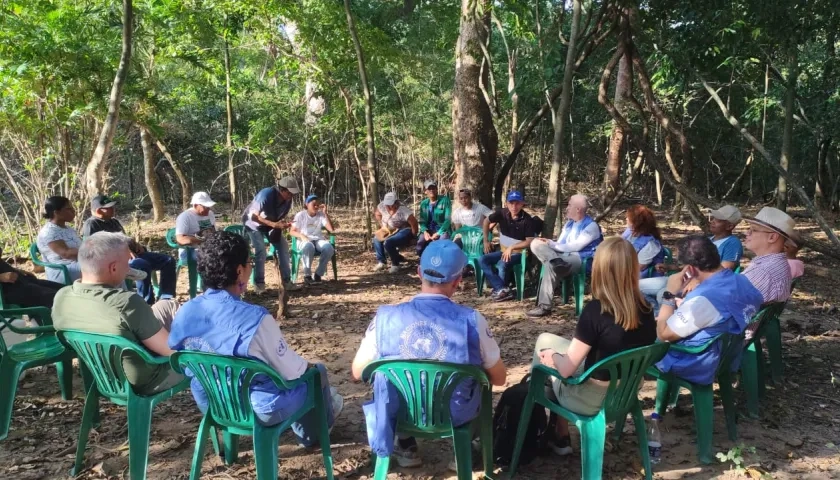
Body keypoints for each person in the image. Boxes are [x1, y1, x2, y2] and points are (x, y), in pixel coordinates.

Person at [168, 231, 343, 448]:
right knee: (317, 373)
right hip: (259, 410)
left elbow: (179, 359)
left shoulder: (185, 311)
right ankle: (313, 436)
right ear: (239, 271)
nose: (251, 267)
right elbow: (293, 371)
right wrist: (312, 370)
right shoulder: (255, 318)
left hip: (211, 403)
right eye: (250, 262)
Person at [351, 239, 506, 468]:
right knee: (479, 386)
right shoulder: (472, 321)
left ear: (418, 272)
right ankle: (461, 452)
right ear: (458, 281)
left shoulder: (385, 318)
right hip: (454, 414)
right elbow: (500, 378)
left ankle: (406, 445)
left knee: (393, 384)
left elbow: (358, 371)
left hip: (401, 413)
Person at [535, 237, 656, 455]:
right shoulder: (646, 309)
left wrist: (552, 357)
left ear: (600, 269)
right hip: (626, 394)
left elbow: (566, 369)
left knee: (545, 352)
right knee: (550, 342)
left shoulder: (595, 311)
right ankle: (559, 434)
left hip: (589, 400)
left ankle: (551, 432)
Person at [52, 232, 184, 394]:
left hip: (102, 374)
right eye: (128, 262)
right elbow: (171, 350)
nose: (130, 266)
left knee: (166, 305)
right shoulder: (126, 302)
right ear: (113, 268)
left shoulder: (62, 296)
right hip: (146, 379)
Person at [653, 235, 763, 385]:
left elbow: (665, 334)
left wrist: (669, 295)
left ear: (690, 269)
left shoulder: (704, 299)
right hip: (727, 356)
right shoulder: (742, 281)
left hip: (693, 362)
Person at [640, 205, 744, 312]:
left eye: (718, 221)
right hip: (683, 278)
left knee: (663, 294)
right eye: (713, 219)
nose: (712, 222)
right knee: (635, 286)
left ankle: (662, 322)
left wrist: (696, 280)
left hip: (699, 283)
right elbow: (692, 264)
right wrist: (670, 267)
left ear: (729, 226)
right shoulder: (709, 240)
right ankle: (654, 316)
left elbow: (725, 269)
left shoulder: (732, 243)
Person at [82, 194, 177, 304]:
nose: (113, 209)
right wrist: (123, 252)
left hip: (131, 255)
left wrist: (134, 244)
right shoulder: (91, 225)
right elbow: (95, 250)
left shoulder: (113, 221)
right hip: (115, 261)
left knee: (168, 261)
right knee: (141, 265)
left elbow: (123, 238)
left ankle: (165, 297)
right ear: (99, 210)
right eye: (109, 208)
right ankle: (146, 302)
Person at [527, 194, 603, 318]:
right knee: (535, 243)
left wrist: (551, 244)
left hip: (581, 258)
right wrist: (548, 244)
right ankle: (556, 261)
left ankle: (544, 307)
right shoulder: (569, 224)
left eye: (569, 205)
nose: (567, 208)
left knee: (549, 266)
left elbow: (576, 247)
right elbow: (561, 243)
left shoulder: (591, 226)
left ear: (578, 209)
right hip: (562, 256)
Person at [242, 177, 300, 293]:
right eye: (289, 193)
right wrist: (273, 224)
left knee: (283, 247)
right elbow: (253, 216)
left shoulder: (288, 201)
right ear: (282, 190)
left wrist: (281, 225)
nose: (291, 196)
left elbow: (279, 218)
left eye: (292, 194)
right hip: (253, 225)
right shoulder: (266, 194)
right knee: (261, 251)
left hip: (270, 225)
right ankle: (259, 284)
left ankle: (286, 281)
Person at [479, 190, 538, 302]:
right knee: (483, 259)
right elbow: (486, 221)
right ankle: (502, 288)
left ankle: (501, 290)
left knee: (503, 263)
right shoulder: (502, 213)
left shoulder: (527, 220)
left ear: (522, 204)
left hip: (520, 253)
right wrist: (486, 240)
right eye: (511, 203)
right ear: (507, 203)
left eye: (517, 203)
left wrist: (512, 248)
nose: (514, 206)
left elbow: (529, 241)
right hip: (503, 250)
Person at [742, 207, 796, 304]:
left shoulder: (763, 271)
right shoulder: (777, 264)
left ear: (772, 237)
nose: (747, 233)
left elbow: (729, 301)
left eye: (753, 230)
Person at [290, 194, 336, 285]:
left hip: (318, 240)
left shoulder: (320, 215)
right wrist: (301, 236)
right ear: (307, 204)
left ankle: (318, 274)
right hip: (304, 240)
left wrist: (325, 213)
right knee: (308, 247)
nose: (316, 207)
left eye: (317, 205)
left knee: (329, 248)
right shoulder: (300, 215)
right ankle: (307, 275)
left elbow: (331, 229)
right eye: (313, 204)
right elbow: (292, 231)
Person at [36, 196, 82, 284]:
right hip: (63, 270)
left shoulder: (68, 229)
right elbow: (66, 253)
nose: (73, 211)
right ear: (57, 212)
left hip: (77, 264)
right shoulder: (49, 232)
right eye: (69, 209)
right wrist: (90, 251)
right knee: (101, 267)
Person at [372, 192, 419, 273]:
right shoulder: (381, 206)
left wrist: (413, 235)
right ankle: (382, 262)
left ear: (396, 202)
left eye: (391, 204)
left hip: (404, 228)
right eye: (387, 204)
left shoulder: (403, 210)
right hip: (389, 228)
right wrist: (382, 225)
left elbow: (414, 222)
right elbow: (377, 213)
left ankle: (395, 264)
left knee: (389, 242)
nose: (389, 207)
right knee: (376, 239)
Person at [621, 205, 665, 278]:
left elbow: (639, 267)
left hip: (642, 278)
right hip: (625, 269)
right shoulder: (630, 231)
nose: (626, 219)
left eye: (629, 217)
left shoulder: (651, 244)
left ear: (637, 222)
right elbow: (617, 246)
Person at [175, 191, 217, 267]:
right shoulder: (185, 217)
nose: (208, 209)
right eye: (205, 207)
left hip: (208, 247)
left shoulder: (210, 214)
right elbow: (180, 239)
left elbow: (214, 230)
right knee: (213, 258)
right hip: (189, 252)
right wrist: (202, 240)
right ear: (195, 205)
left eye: (209, 207)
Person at [415, 180, 451, 256]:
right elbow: (422, 221)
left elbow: (448, 220)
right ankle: (422, 262)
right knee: (420, 244)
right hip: (428, 229)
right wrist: (425, 232)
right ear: (425, 191)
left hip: (442, 229)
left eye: (434, 188)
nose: (432, 190)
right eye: (429, 189)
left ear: (437, 189)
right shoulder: (424, 203)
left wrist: (438, 233)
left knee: (442, 244)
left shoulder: (445, 200)